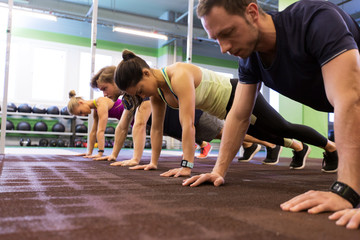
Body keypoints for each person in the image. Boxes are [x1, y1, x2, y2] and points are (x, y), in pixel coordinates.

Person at [182, 0, 360, 228]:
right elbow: (238, 115)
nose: (223, 48)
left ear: (252, 12)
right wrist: (218, 171)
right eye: (216, 38)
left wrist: (346, 190)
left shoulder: (316, 20)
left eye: (227, 33)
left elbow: (349, 99)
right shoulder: (250, 58)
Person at [114, 50, 337, 178]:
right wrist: (153, 162)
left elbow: (188, 124)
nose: (143, 96)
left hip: (237, 93)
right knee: (268, 136)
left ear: (146, 73)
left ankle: (331, 148)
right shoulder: (157, 93)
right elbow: (156, 128)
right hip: (225, 111)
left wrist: (186, 166)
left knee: (282, 127)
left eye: (141, 90)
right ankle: (300, 148)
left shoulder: (178, 75)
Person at [67, 90, 124, 159]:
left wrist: (100, 153)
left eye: (81, 112)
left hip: (133, 113)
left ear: (81, 102)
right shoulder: (96, 108)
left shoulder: (100, 103)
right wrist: (89, 152)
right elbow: (93, 131)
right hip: (129, 118)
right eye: (80, 114)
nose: (83, 115)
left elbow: (101, 130)